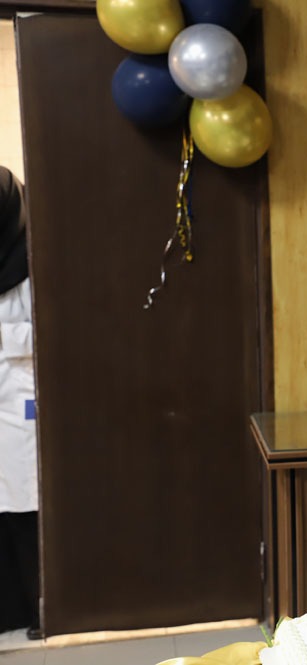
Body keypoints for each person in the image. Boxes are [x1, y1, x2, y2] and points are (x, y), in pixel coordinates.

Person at [0, 167, 40, 639]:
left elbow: (49, 331)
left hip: (24, 405)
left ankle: (40, 608)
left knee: (26, 507)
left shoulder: (35, 260)